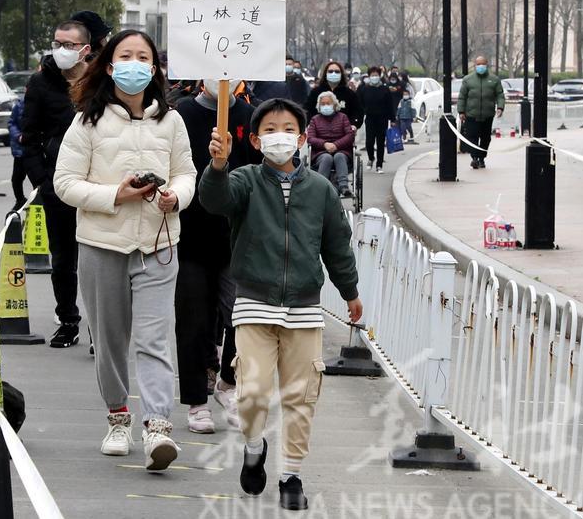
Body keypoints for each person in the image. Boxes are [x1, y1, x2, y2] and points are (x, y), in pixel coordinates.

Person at [199, 98, 362, 511]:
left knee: (300, 397)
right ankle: (254, 446)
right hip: (254, 303)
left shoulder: (321, 190)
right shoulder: (245, 180)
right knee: (250, 393)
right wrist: (217, 165)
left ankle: (291, 474)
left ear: (302, 137)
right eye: (270, 130)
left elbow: (336, 246)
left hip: (305, 309)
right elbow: (214, 201)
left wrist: (350, 291)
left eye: (288, 128)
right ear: (255, 139)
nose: (280, 137)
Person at [53, 29, 196, 471]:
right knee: (111, 340)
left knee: (155, 339)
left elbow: (187, 173)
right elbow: (65, 184)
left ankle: (157, 427)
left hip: (158, 244)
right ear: (111, 67)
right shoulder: (87, 122)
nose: (135, 64)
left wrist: (176, 196)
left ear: (153, 69)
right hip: (102, 244)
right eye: (125, 56)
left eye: (144, 57)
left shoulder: (171, 121)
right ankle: (118, 417)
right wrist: (116, 194)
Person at [174, 77, 258, 434]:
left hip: (238, 236)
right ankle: (196, 401)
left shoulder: (250, 116)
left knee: (241, 315)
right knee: (192, 320)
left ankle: (228, 381)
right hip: (190, 233)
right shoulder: (181, 113)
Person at [21, 20, 91, 348]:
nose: (62, 50)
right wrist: (42, 178)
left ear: (85, 49)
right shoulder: (40, 83)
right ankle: (67, 319)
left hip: (99, 188)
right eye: (57, 42)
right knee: (62, 260)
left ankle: (100, 330)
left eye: (70, 44)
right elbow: (29, 135)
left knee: (98, 260)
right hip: (56, 186)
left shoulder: (101, 83)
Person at [458, 55, 505, 169]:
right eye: (478, 64)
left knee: (485, 138)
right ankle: (474, 158)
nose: (481, 66)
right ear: (475, 65)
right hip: (471, 114)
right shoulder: (468, 80)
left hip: (487, 114)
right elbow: (462, 97)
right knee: (472, 137)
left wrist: (500, 107)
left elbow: (500, 95)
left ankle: (481, 158)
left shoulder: (494, 80)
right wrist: (461, 111)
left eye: (482, 64)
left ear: (486, 65)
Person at [307, 91, 355, 197]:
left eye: (328, 103)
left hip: (341, 150)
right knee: (326, 158)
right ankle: (320, 187)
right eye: (322, 104)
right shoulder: (315, 120)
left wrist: (336, 145)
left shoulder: (343, 117)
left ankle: (344, 187)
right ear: (319, 106)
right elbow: (310, 138)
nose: (325, 106)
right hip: (321, 152)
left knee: (339, 156)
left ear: (334, 104)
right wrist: (324, 144)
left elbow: (350, 135)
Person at [304, 60, 362, 130]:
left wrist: (354, 125)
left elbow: (357, 112)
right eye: (330, 71)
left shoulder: (349, 94)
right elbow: (307, 110)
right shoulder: (316, 92)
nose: (333, 74)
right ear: (325, 74)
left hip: (343, 133)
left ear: (341, 74)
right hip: (320, 132)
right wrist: (310, 123)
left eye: (337, 72)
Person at [358, 66, 394, 173]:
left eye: (376, 75)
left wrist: (392, 119)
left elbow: (390, 105)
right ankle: (371, 157)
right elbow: (360, 103)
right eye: (372, 75)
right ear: (369, 76)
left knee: (380, 142)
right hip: (370, 118)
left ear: (380, 76)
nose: (374, 77)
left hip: (382, 119)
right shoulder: (364, 89)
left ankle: (379, 165)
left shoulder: (385, 89)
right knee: (369, 141)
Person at [7, 93, 27, 211]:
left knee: (38, 179)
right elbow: (11, 123)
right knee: (16, 179)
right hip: (20, 150)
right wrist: (18, 136)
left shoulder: (40, 102)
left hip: (35, 149)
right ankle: (20, 200)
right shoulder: (19, 104)